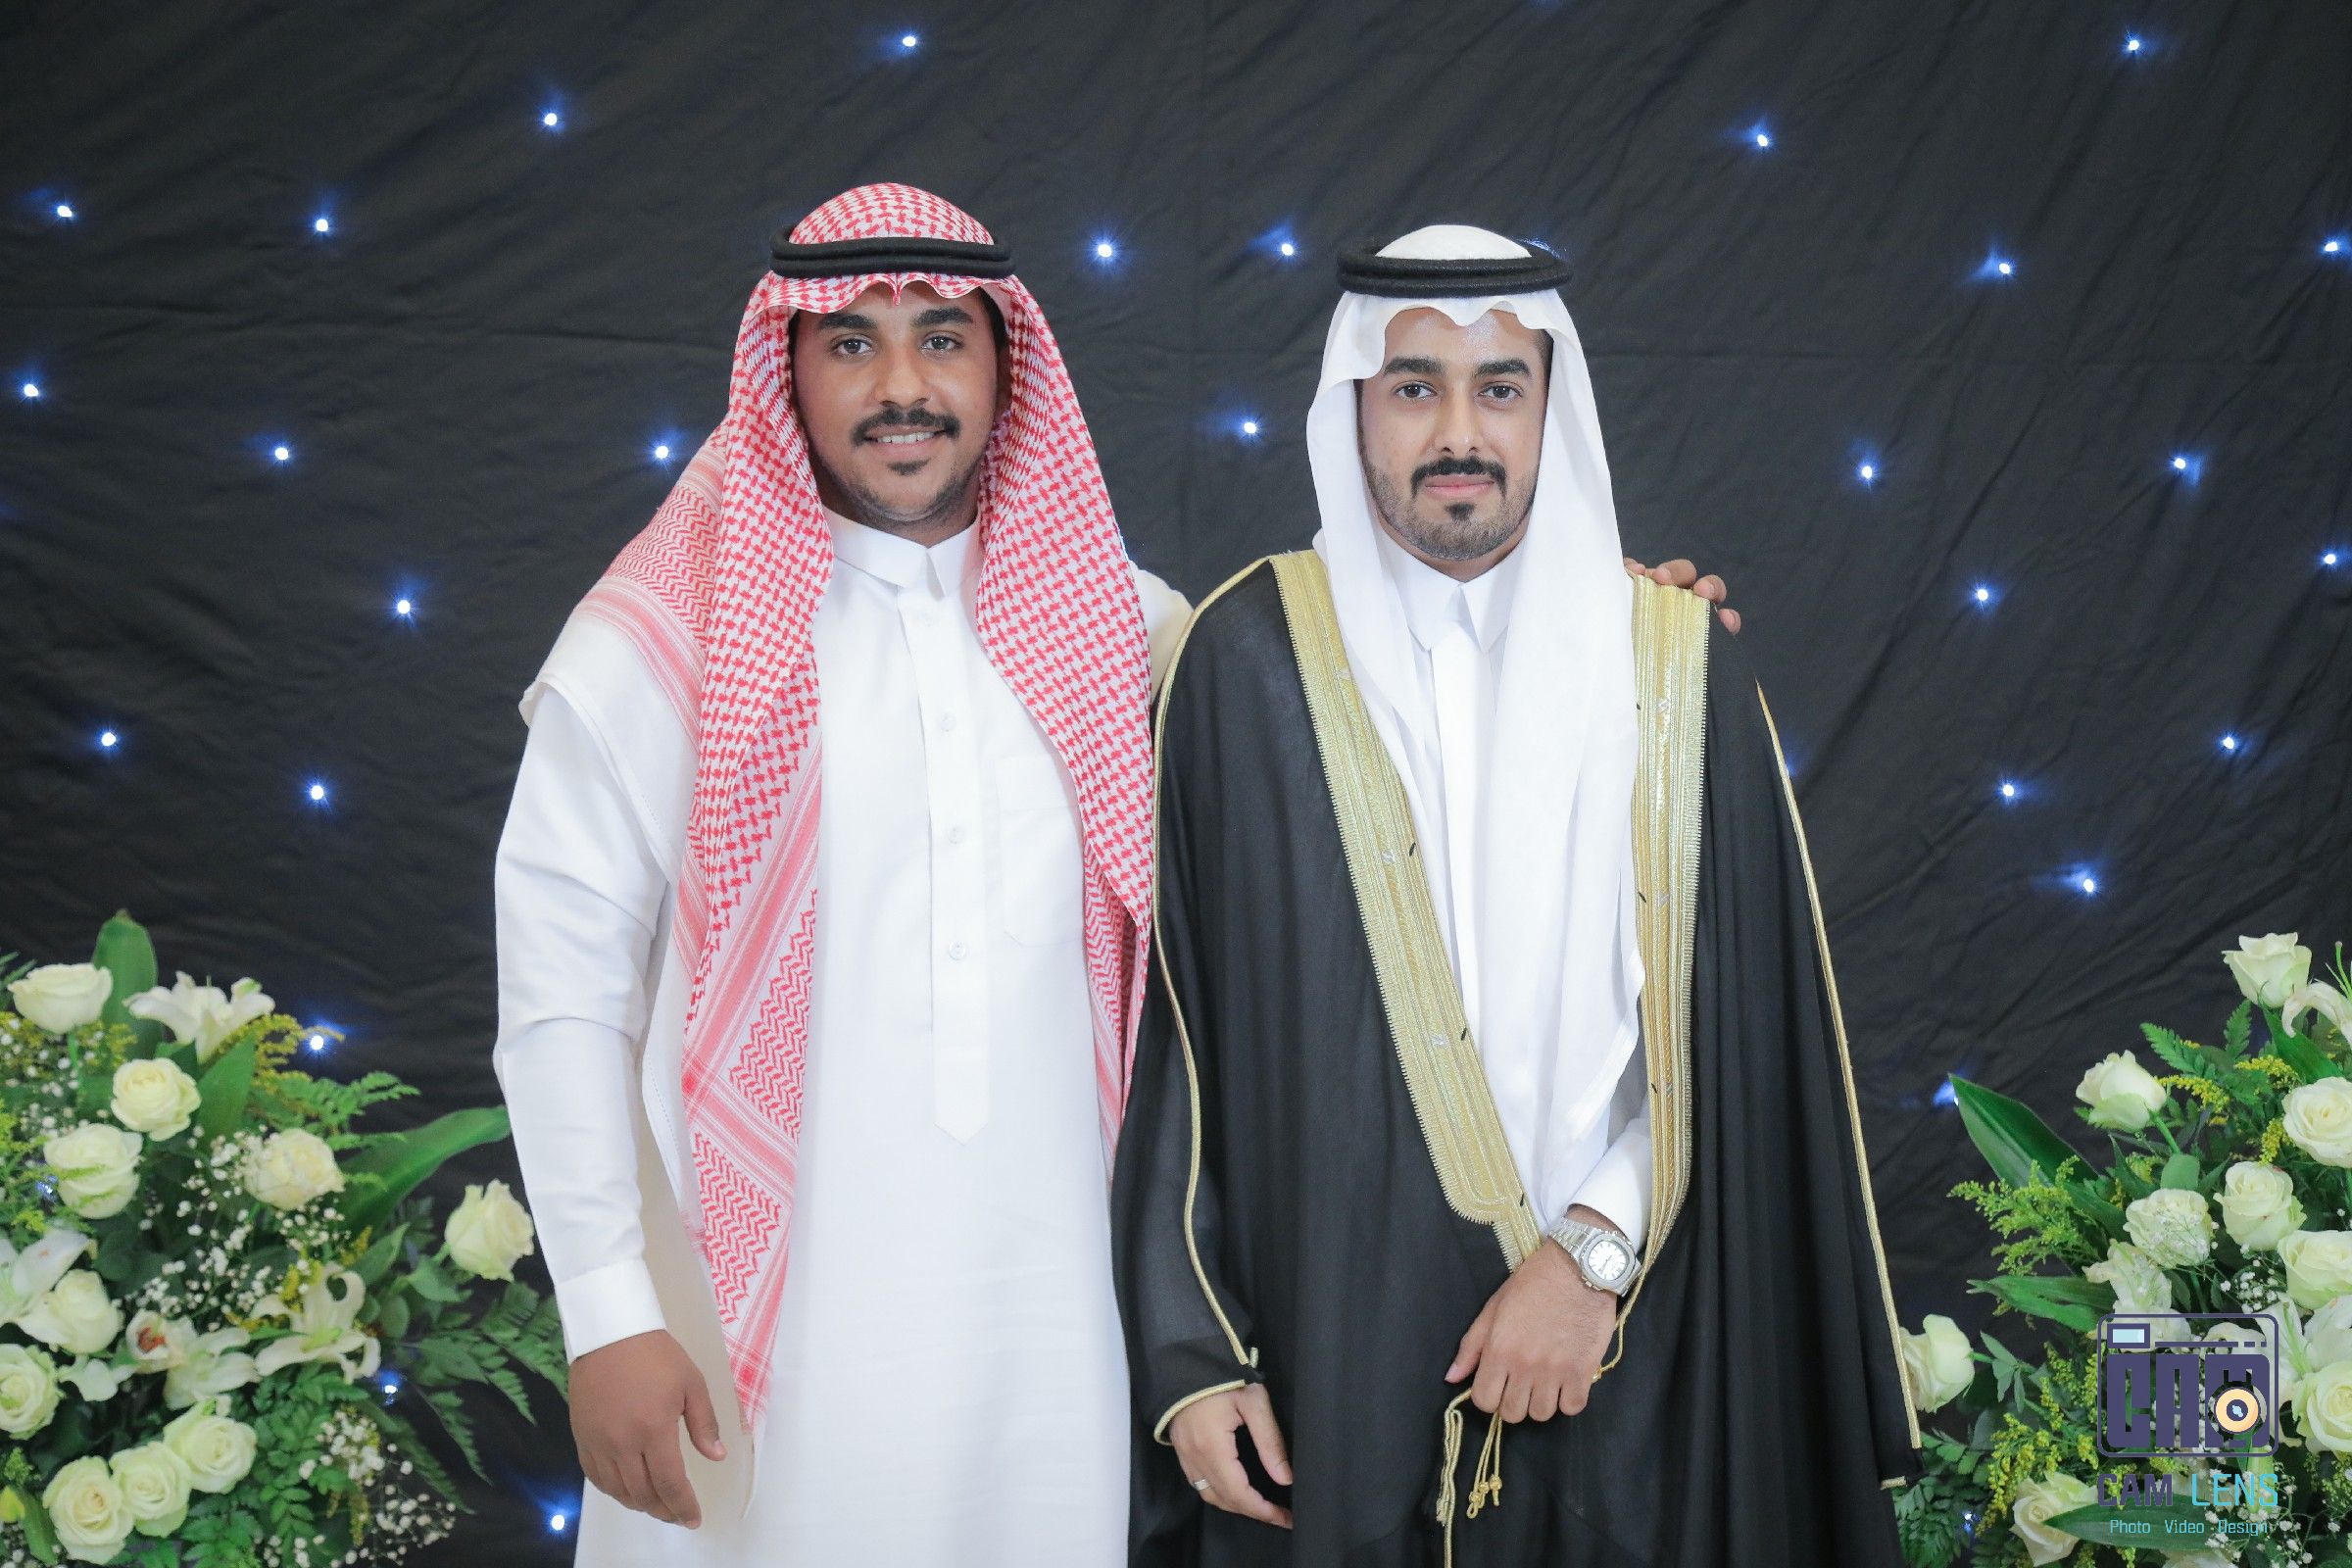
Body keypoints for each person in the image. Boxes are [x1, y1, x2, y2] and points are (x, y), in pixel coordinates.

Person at [1111, 224, 1922, 1568]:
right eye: (1413, 386)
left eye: (1500, 387)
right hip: (1329, 1360)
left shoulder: (1675, 667)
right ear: (1352, 406)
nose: (1459, 433)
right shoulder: (1238, 662)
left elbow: (1746, 1036)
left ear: (1554, 406)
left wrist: (1596, 1253)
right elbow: (1175, 1039)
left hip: (1641, 1339)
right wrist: (1193, 1354)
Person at [490, 182, 1187, 1565]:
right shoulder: (660, 643)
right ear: (788, 371)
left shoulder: (1133, 631)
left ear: (1006, 367)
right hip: (751, 1331)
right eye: (852, 343)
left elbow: (1343, 747)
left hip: (1056, 1333)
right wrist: (606, 1312)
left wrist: (1604, 601)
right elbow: (561, 996)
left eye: (943, 339)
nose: (902, 387)